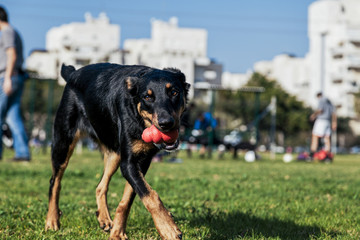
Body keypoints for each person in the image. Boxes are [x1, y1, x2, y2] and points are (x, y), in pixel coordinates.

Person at [0, 6, 30, 161]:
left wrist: (7, 78)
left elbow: (11, 54)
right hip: (16, 76)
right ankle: (23, 153)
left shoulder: (6, 32)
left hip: (7, 77)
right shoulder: (14, 31)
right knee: (13, 117)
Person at [309, 92, 337, 161]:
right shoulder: (329, 102)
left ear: (318, 96)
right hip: (327, 121)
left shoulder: (321, 100)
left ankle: (312, 155)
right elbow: (333, 113)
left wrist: (314, 115)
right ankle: (327, 156)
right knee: (326, 138)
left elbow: (320, 110)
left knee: (315, 136)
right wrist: (334, 122)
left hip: (321, 120)